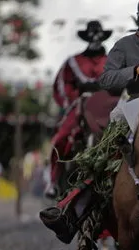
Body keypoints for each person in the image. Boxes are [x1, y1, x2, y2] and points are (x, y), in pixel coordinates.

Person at [40, 0, 139, 244]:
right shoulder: (125, 45)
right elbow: (106, 78)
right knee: (102, 156)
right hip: (135, 104)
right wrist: (134, 70)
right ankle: (72, 214)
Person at [45, 20, 111, 199]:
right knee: (61, 138)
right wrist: (73, 99)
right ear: (87, 38)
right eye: (92, 37)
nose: (95, 41)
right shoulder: (73, 62)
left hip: (107, 107)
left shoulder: (112, 60)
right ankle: (53, 181)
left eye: (98, 37)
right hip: (80, 105)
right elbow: (61, 85)